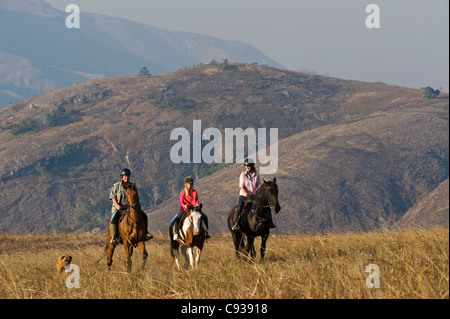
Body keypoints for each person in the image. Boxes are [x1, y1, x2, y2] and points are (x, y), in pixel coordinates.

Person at [109, 168, 152, 244]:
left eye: (128, 176)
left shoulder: (132, 186)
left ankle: (145, 233)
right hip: (119, 208)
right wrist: (117, 205)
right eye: (124, 176)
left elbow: (135, 197)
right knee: (114, 219)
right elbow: (112, 197)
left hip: (130, 208)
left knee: (144, 216)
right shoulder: (116, 186)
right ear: (122, 177)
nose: (126, 177)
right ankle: (113, 237)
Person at [231, 159, 276, 231]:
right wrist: (247, 195)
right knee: (239, 207)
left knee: (266, 207)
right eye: (246, 166)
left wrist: (260, 194)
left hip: (254, 196)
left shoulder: (256, 175)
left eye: (248, 166)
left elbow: (258, 186)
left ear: (252, 166)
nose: (247, 167)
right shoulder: (243, 174)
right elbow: (241, 188)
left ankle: (270, 222)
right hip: (244, 195)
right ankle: (236, 224)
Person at [173, 176, 210, 241]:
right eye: (189, 184)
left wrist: (197, 205)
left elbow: (196, 200)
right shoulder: (182, 192)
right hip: (184, 209)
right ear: (185, 184)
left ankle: (206, 232)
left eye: (191, 184)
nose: (190, 185)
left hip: (193, 209)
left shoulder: (195, 192)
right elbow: (181, 201)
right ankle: (176, 233)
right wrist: (184, 205)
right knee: (177, 218)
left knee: (204, 216)